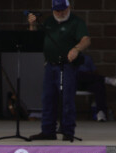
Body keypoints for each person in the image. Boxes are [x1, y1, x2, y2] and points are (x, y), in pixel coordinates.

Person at [27, 0, 91, 141]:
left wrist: (76, 49)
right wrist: (32, 25)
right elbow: (35, 39)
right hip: (50, 64)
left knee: (67, 98)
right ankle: (48, 130)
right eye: (57, 10)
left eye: (63, 10)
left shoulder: (76, 22)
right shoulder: (49, 22)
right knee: (48, 98)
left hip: (67, 65)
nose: (60, 13)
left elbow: (86, 39)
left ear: (68, 7)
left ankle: (68, 130)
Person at [76, 53, 116, 122]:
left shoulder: (87, 58)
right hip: (74, 83)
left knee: (99, 85)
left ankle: (101, 113)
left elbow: (94, 71)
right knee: (78, 74)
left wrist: (91, 75)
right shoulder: (67, 57)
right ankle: (105, 79)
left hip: (88, 82)